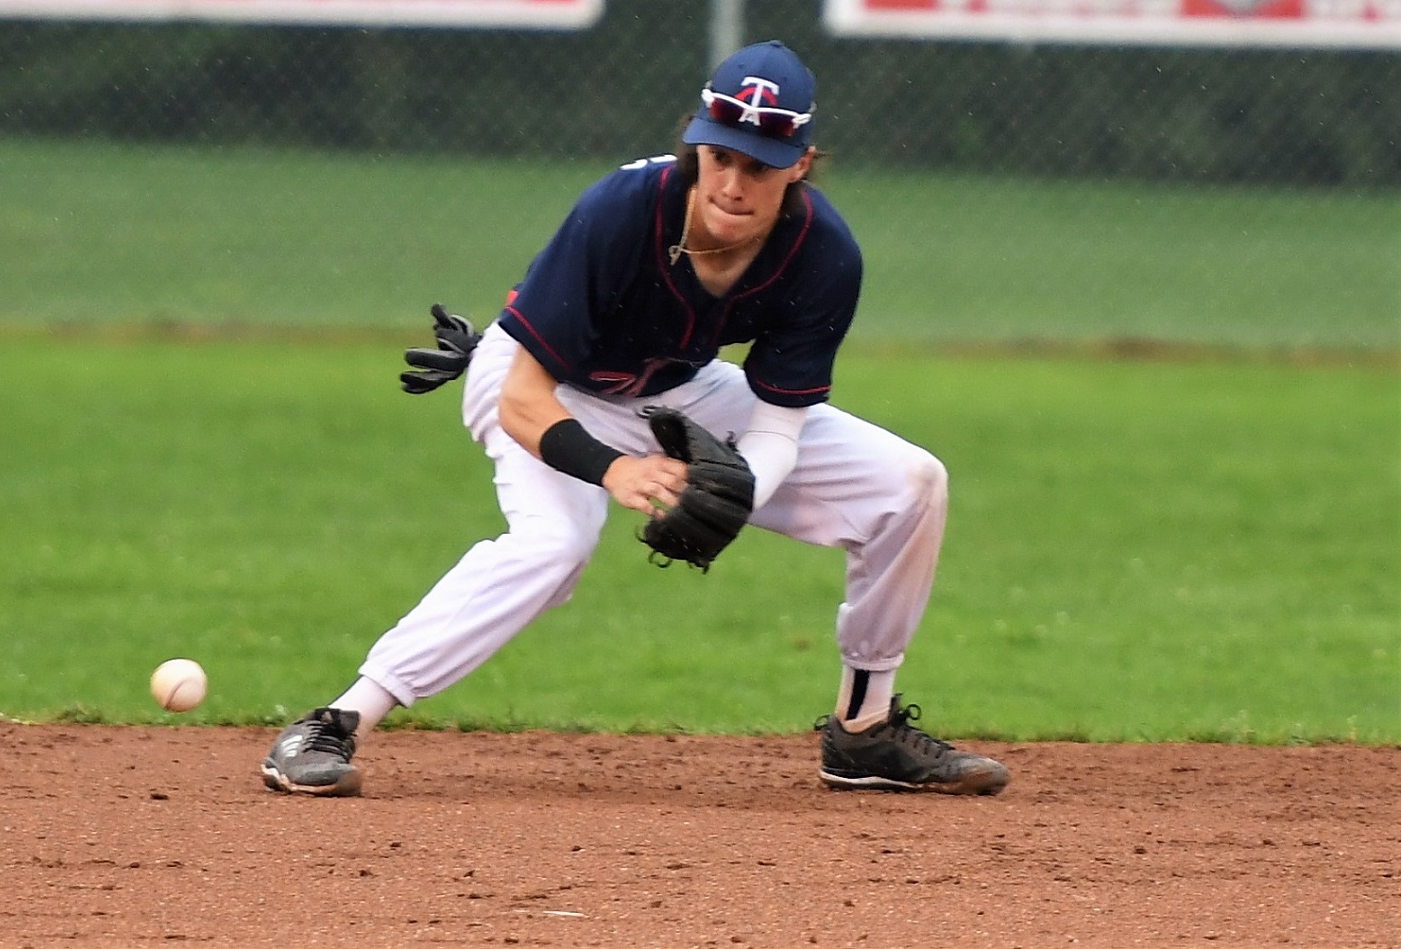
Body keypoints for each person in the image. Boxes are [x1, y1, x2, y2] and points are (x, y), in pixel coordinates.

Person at [260, 40, 1010, 798]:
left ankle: (862, 730)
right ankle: (333, 722)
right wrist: (616, 471)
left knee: (910, 482)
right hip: (541, 383)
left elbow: (779, 421)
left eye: (759, 164)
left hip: (671, 390)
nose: (734, 182)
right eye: (721, 155)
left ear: (800, 164)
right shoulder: (621, 211)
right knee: (554, 546)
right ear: (695, 141)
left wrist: (737, 487)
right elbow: (522, 398)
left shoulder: (823, 255)